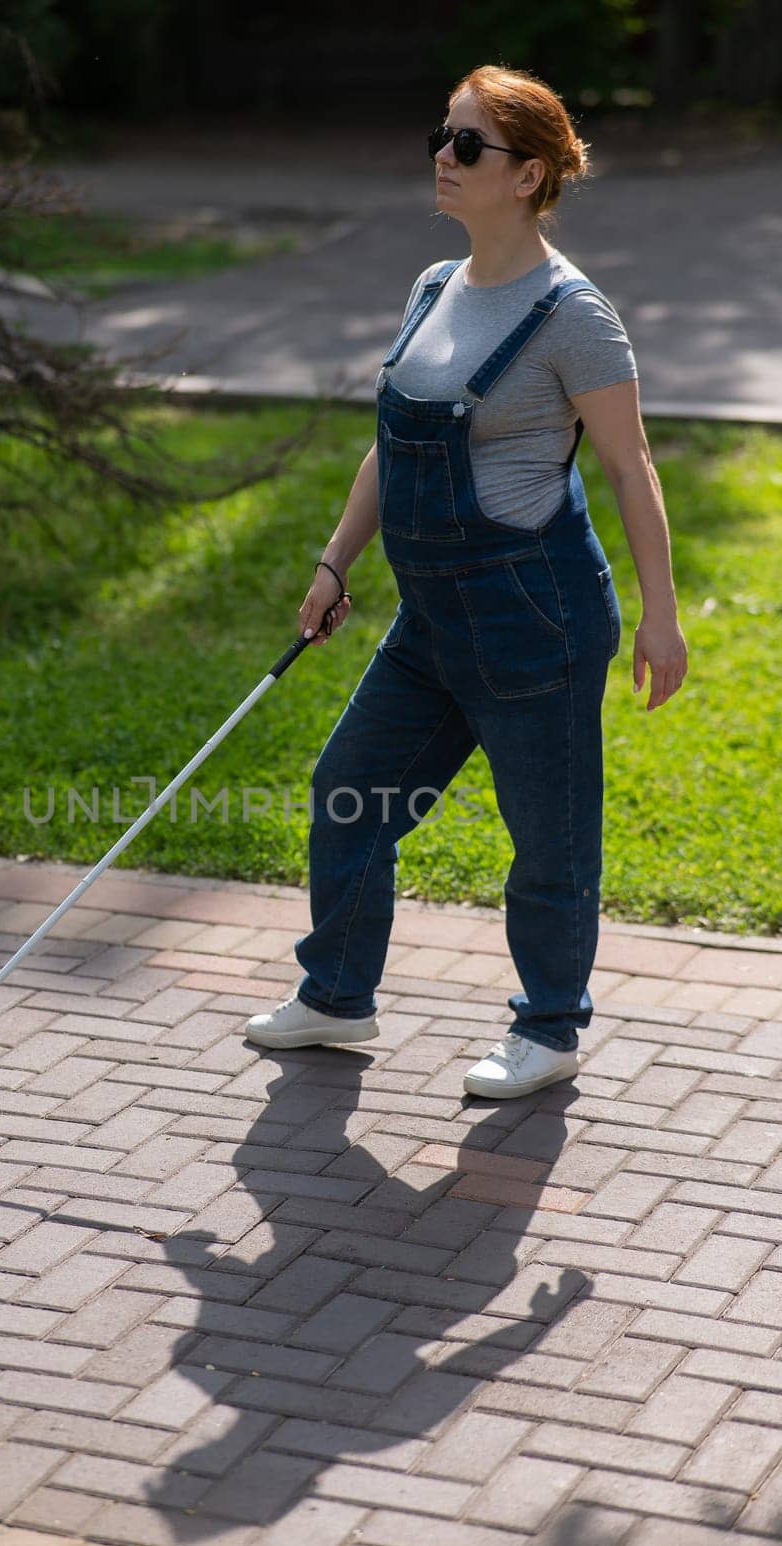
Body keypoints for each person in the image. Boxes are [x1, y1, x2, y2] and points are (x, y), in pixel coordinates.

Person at [245, 63, 688, 1100]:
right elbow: (391, 445)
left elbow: (633, 467)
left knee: (548, 837)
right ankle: (337, 997)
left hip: (535, 619)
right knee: (351, 795)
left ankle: (548, 1028)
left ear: (529, 174)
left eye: (468, 146)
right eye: (441, 138)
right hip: (433, 623)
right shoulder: (434, 288)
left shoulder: (574, 314)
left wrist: (662, 617)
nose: (443, 160)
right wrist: (333, 559)